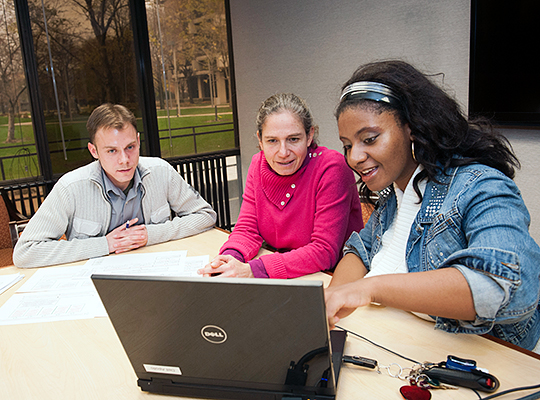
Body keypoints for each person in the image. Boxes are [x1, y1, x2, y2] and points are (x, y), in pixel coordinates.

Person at [324, 60, 540, 352]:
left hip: (480, 364)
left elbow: (502, 286)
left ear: (411, 128)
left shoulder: (481, 185)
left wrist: (371, 289)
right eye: (347, 144)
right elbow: (360, 251)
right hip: (403, 348)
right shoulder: (395, 195)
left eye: (370, 139)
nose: (354, 157)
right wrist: (334, 299)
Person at [13, 103, 216, 268]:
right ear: (94, 151)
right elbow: (26, 252)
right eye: (111, 151)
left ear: (138, 141)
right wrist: (106, 244)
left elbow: (205, 216)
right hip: (94, 284)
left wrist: (150, 235)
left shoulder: (161, 171)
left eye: (130, 147)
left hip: (157, 271)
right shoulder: (70, 187)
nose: (124, 160)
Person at [198, 93, 363, 279]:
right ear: (260, 140)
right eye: (272, 141)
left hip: (332, 278)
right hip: (283, 275)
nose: (283, 152)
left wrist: (253, 270)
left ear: (309, 136)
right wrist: (228, 259)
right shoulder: (257, 164)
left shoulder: (331, 167)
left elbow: (325, 251)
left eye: (293, 139)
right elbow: (247, 229)